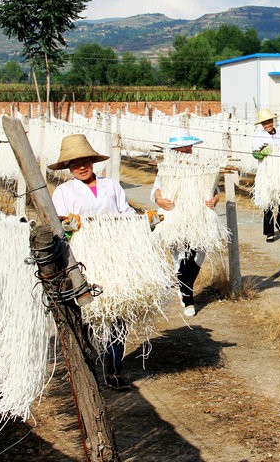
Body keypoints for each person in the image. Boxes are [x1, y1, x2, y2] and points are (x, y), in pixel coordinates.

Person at [49, 133, 158, 392]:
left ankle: (113, 370)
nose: (81, 166)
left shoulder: (112, 186)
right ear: (68, 167)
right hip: (84, 258)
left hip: (116, 256)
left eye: (85, 160)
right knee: (87, 313)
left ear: (92, 161)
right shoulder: (63, 192)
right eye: (75, 163)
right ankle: (86, 367)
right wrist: (67, 227)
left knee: (117, 312)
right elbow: (56, 226)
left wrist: (146, 221)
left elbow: (127, 214)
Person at [150, 132, 220, 318]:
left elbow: (214, 188)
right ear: (174, 151)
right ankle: (188, 297)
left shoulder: (201, 166)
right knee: (181, 254)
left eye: (189, 148)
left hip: (199, 216)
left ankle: (182, 286)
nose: (187, 152)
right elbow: (157, 188)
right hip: (175, 215)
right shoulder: (167, 168)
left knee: (199, 253)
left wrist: (214, 199)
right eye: (183, 149)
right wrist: (159, 200)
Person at [252, 108, 280, 242]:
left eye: (269, 121)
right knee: (267, 201)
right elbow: (255, 153)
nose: (267, 124)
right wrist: (262, 153)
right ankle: (269, 232)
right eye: (265, 123)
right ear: (262, 125)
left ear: (272, 121)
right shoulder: (258, 136)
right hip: (267, 172)